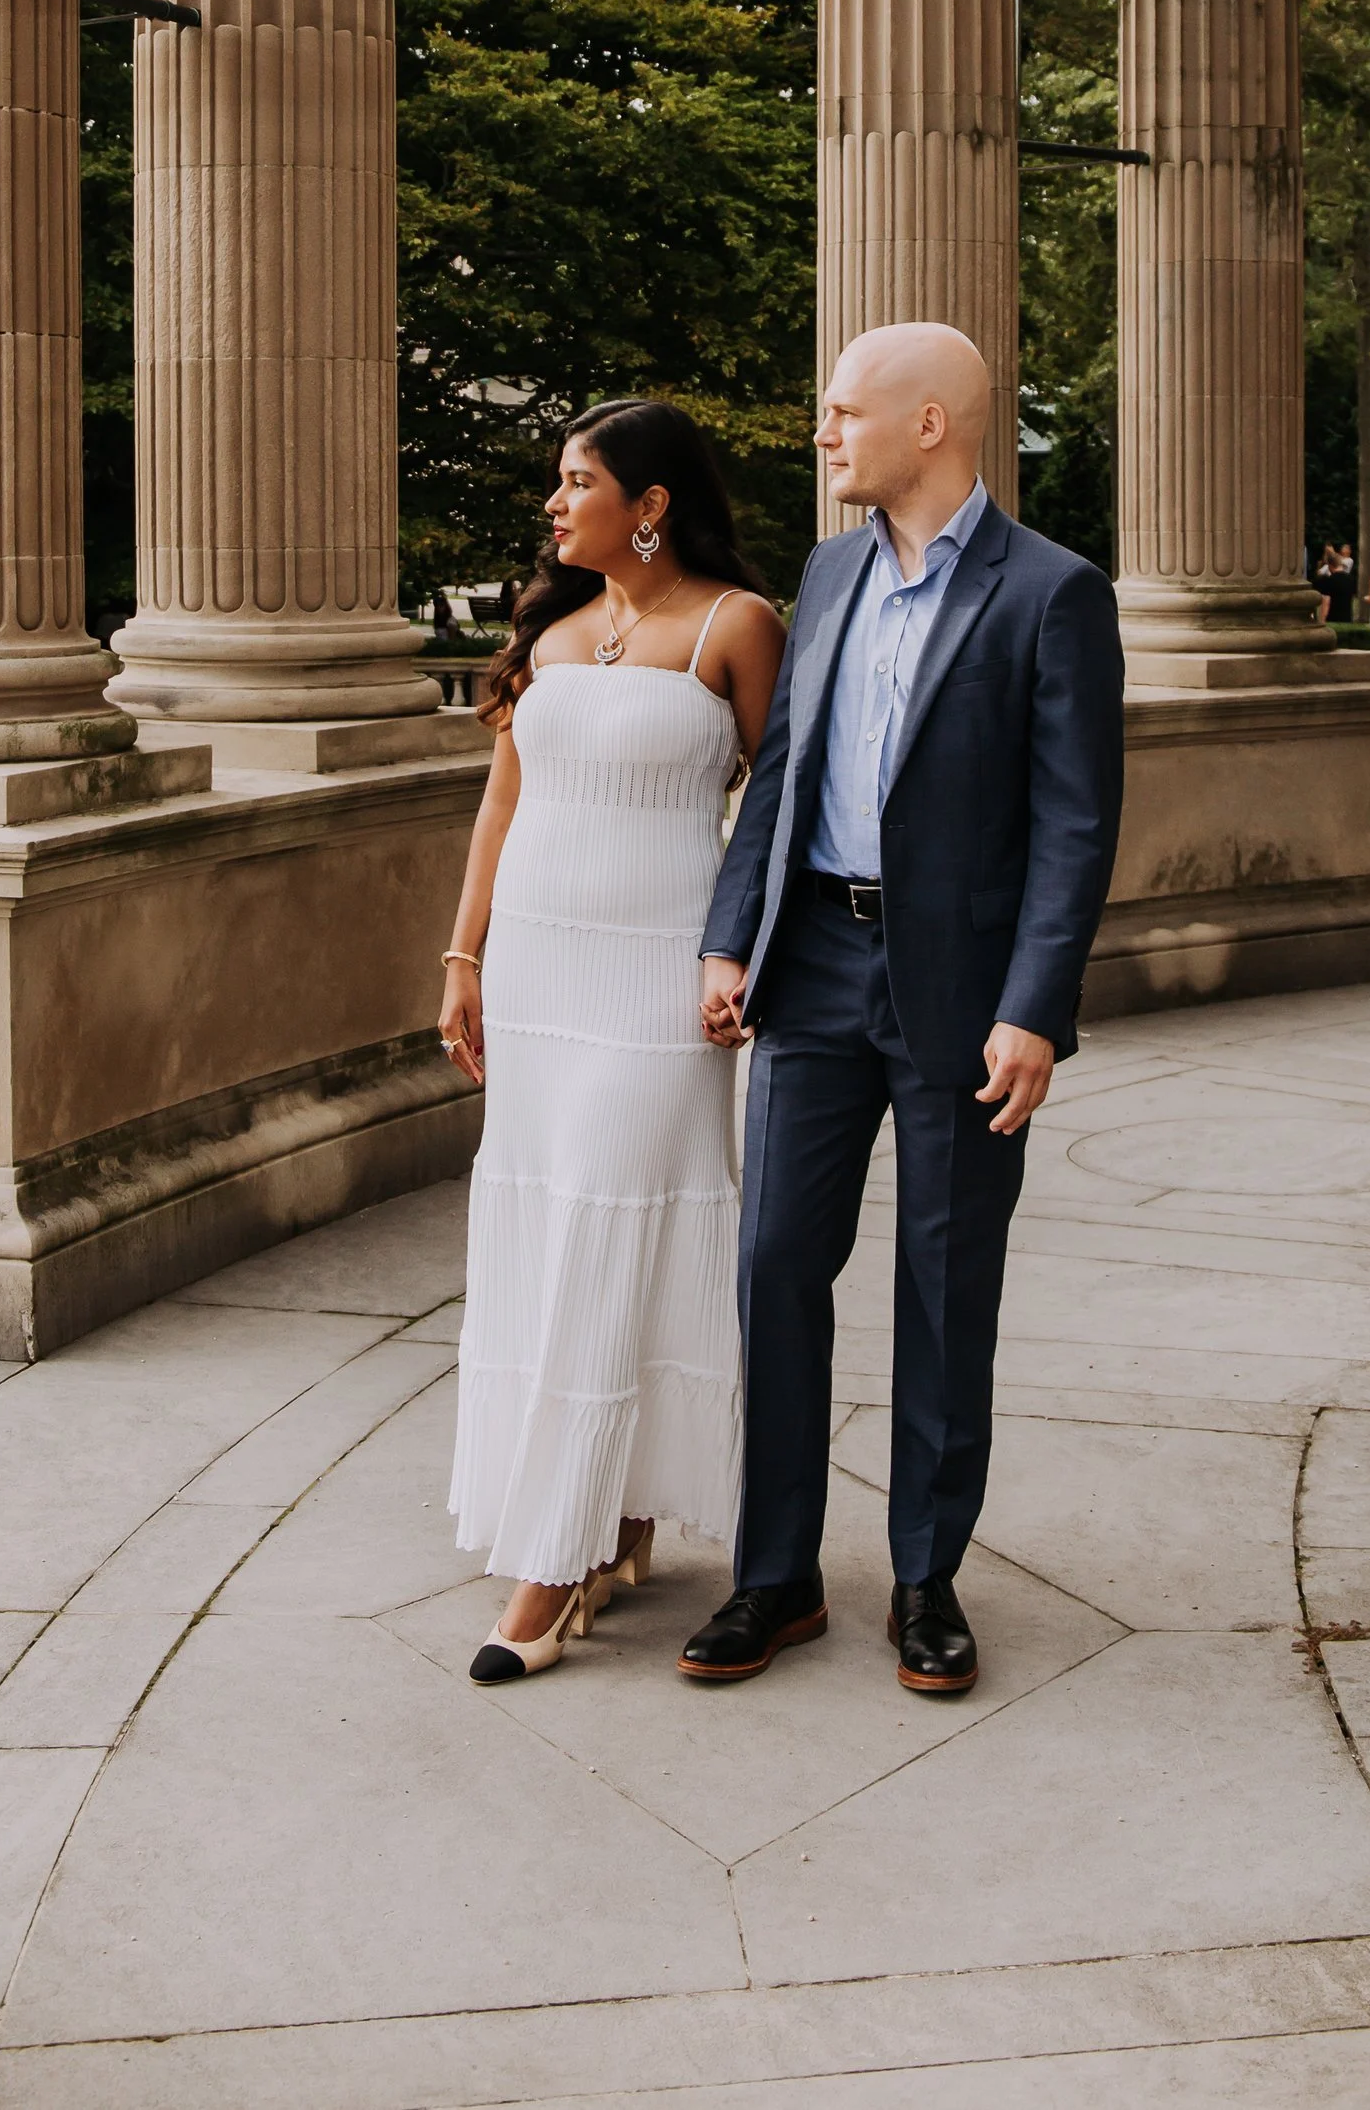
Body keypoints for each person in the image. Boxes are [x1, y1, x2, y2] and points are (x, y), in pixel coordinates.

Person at [683, 324, 1125, 1700]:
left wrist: (1035, 1006)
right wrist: (727, 933)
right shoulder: (824, 571)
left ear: (927, 423)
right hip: (811, 957)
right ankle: (779, 1573)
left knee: (947, 1284)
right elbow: (787, 767)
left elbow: (1075, 819)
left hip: (959, 988)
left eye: (841, 412)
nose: (822, 434)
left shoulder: (1053, 593)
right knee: (773, 1263)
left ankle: (926, 1579)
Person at [438, 398, 785, 1686]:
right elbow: (501, 802)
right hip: (538, 966)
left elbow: (777, 802)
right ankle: (610, 1515)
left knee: (612, 1214)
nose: (554, 502)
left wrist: (734, 951)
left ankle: (553, 1563)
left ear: (649, 502)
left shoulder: (732, 626)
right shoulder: (553, 630)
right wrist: (465, 957)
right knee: (552, 1229)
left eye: (576, 480)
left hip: (654, 981)